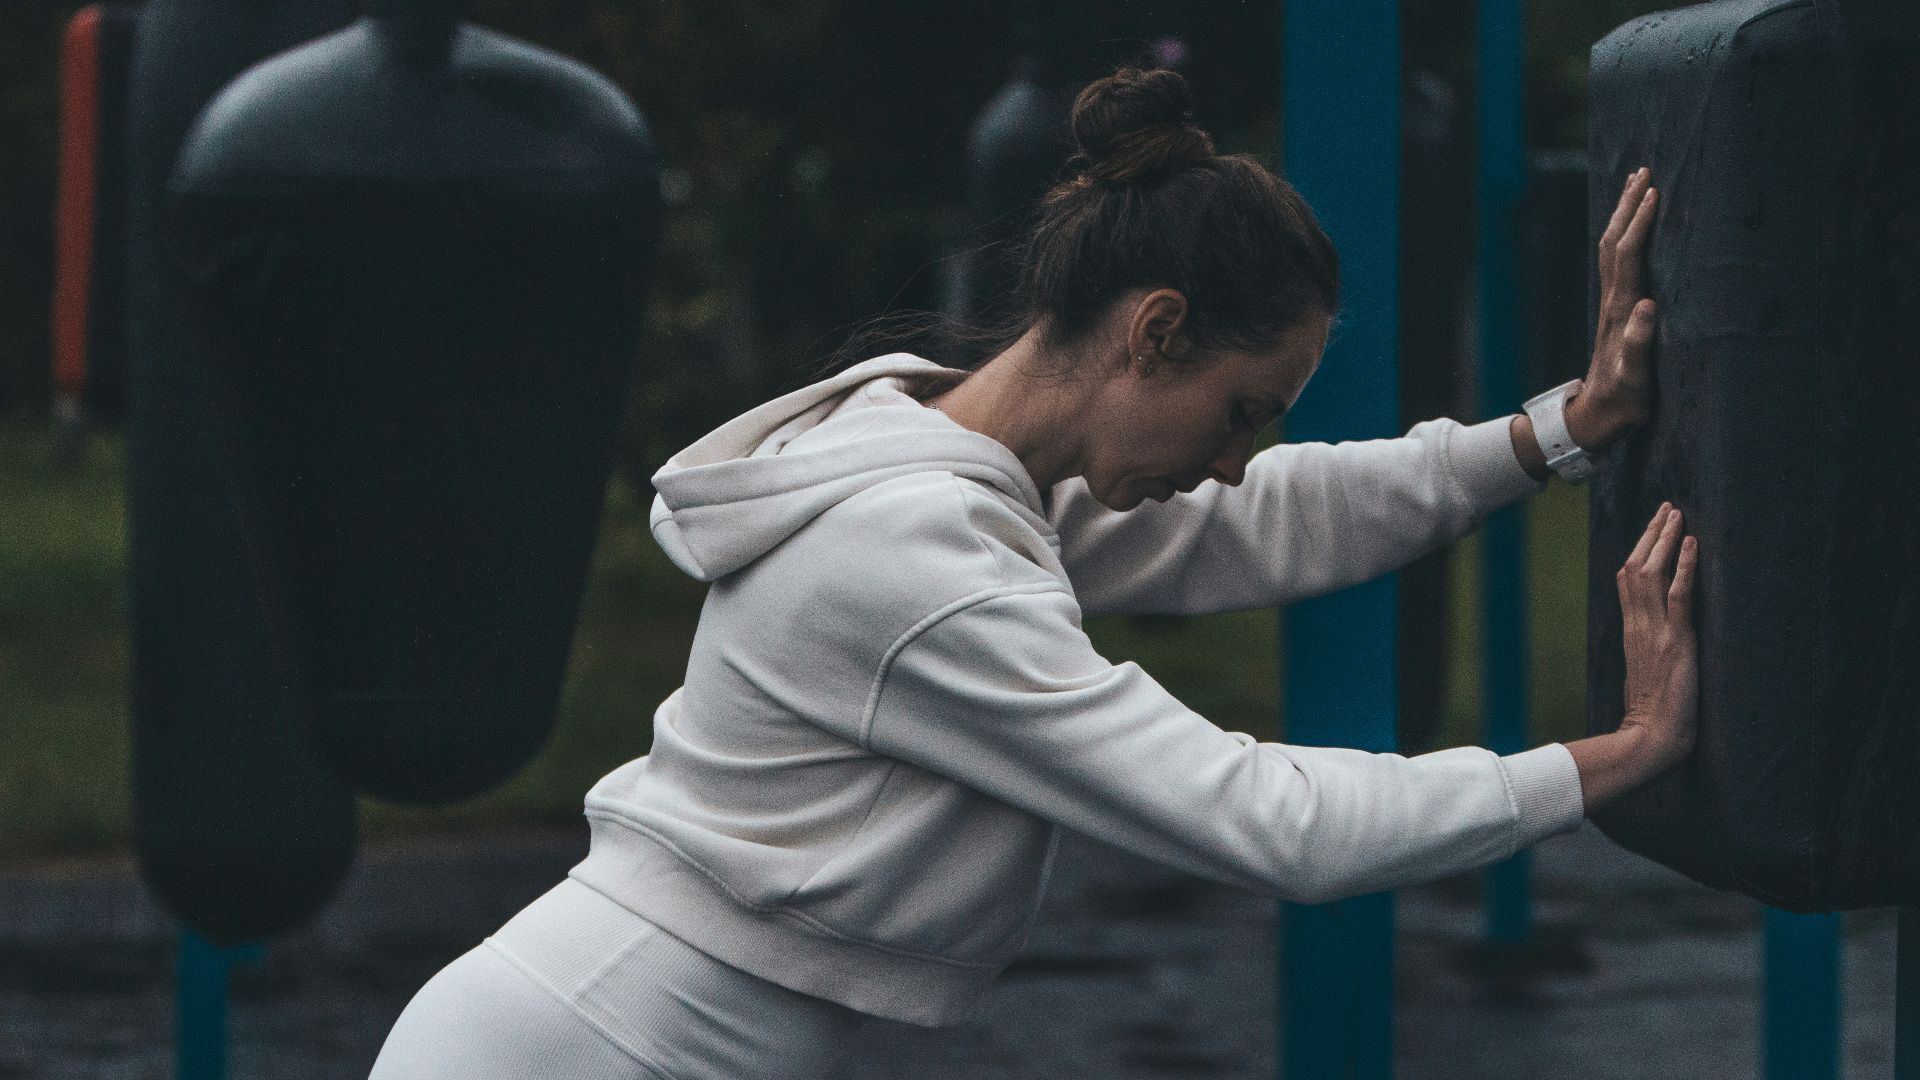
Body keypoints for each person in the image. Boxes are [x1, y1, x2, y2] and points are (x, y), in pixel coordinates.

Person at [370, 65, 1695, 1080]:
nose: (1242, 460)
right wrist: (1614, 757)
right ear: (1158, 332)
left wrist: (1550, 435)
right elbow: (1275, 825)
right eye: (1243, 411)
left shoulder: (941, 466)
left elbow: (1274, 517)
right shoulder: (916, 558)